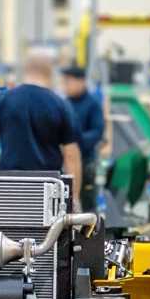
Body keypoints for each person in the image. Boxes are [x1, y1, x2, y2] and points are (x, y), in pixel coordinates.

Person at [0, 50, 84, 208]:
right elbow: (71, 154)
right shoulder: (60, 104)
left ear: (24, 70)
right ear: (50, 72)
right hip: (48, 188)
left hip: (10, 186)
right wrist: (73, 200)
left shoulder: (3, 100)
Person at [60, 65, 105, 212]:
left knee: (87, 205)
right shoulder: (63, 104)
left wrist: (74, 142)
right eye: (64, 82)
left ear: (81, 82)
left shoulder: (92, 104)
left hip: (86, 163)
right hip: (64, 163)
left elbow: (97, 132)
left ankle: (90, 233)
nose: (65, 86)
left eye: (69, 82)